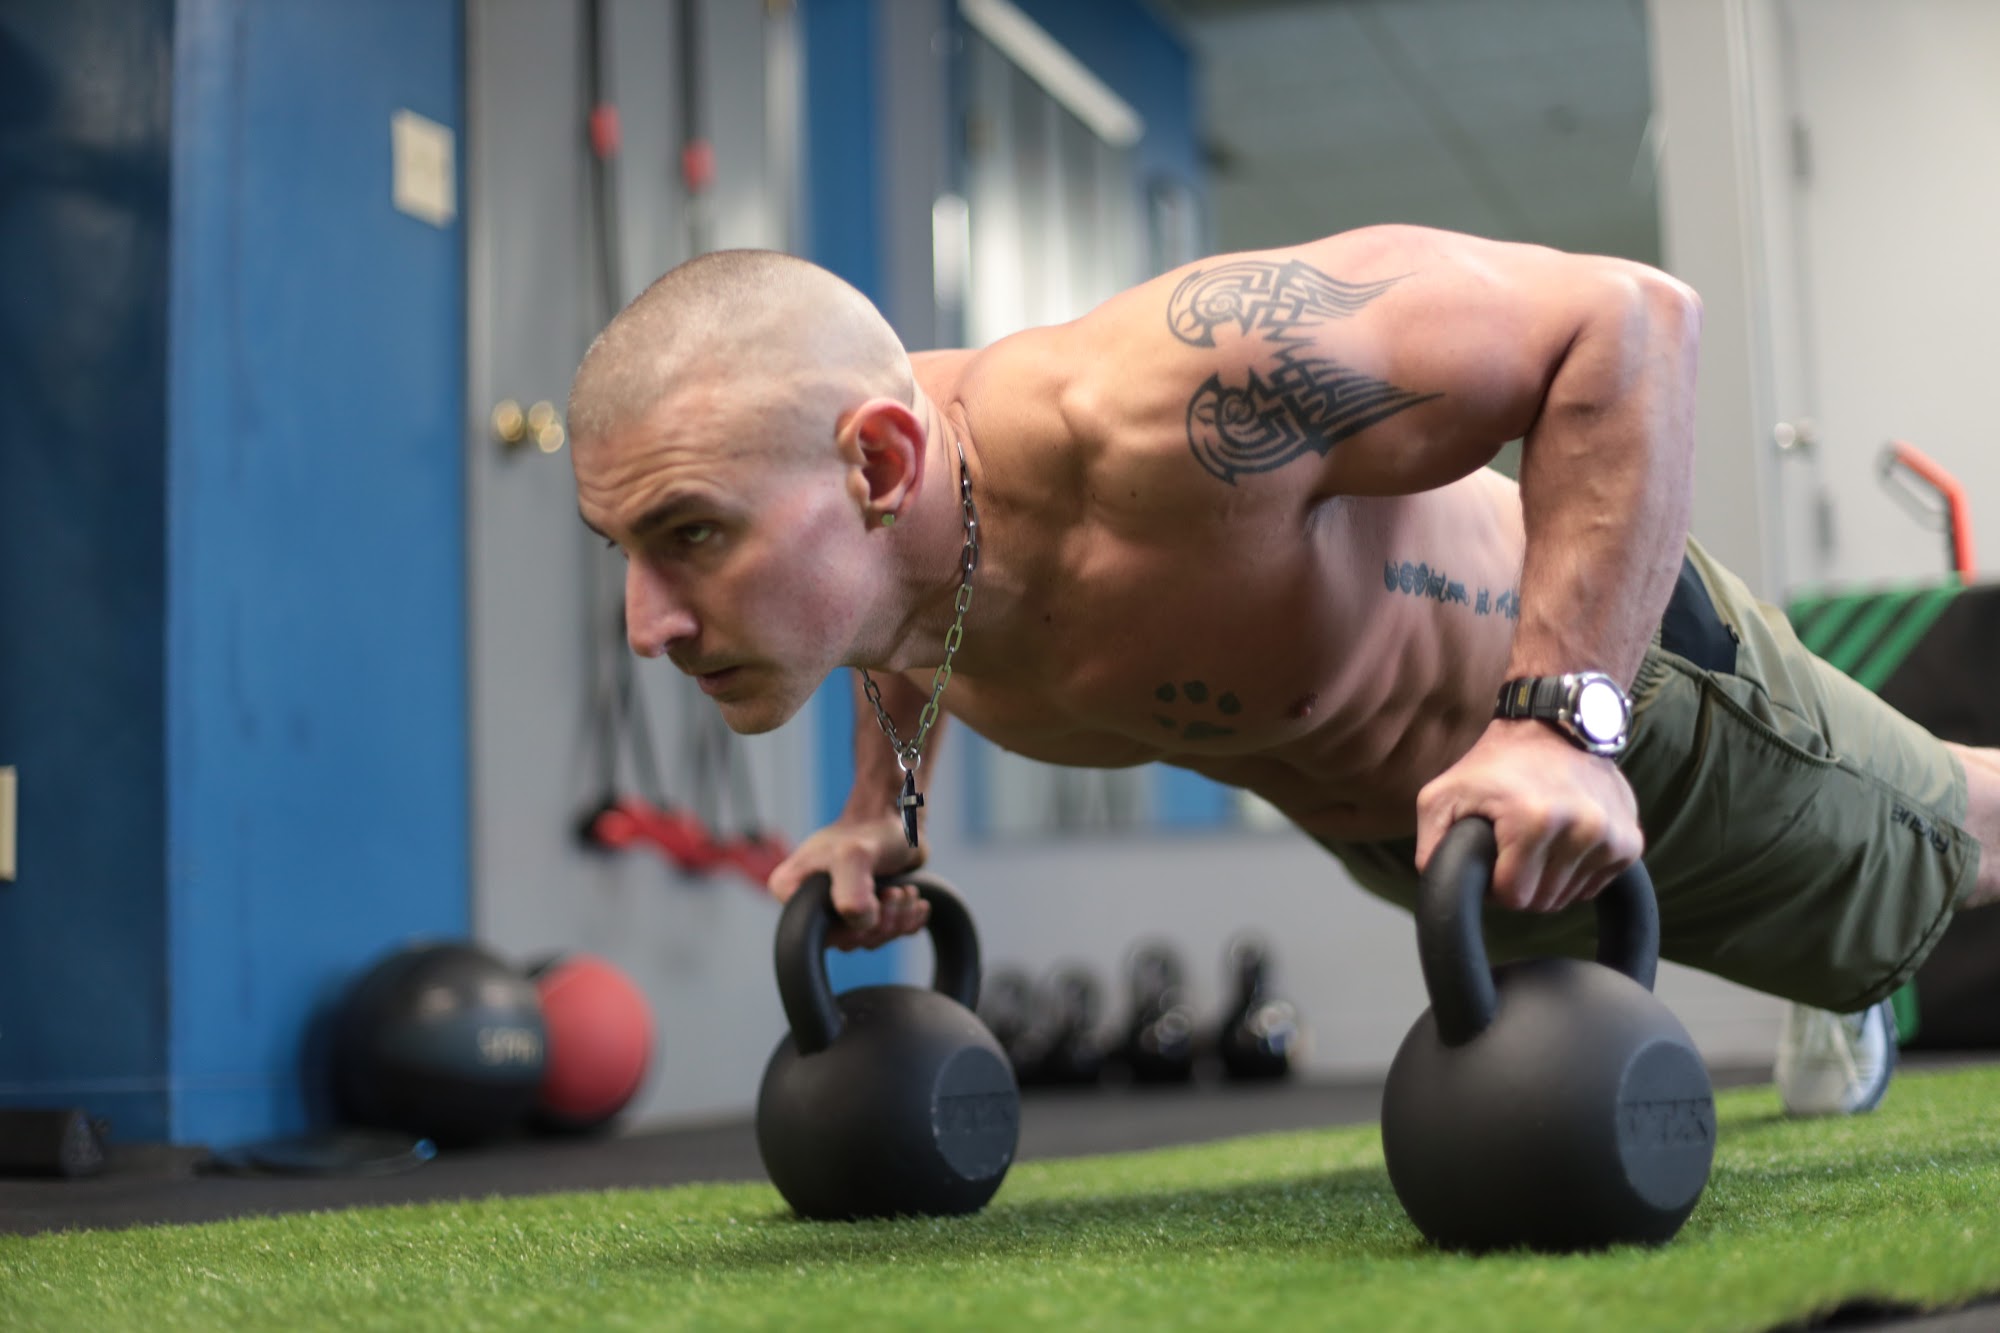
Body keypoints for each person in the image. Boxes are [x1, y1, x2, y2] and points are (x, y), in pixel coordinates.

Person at [567, 227, 2000, 1112]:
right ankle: (1822, 961)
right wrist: (878, 810)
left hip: (1641, 712)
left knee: (1976, 834)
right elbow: (896, 623)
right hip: (1420, 833)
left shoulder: (1182, 395)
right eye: (623, 547)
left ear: (880, 464)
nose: (646, 623)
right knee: (1772, 923)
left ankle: (1836, 953)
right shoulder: (890, 521)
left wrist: (1563, 723)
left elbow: (1629, 321)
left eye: (691, 535)